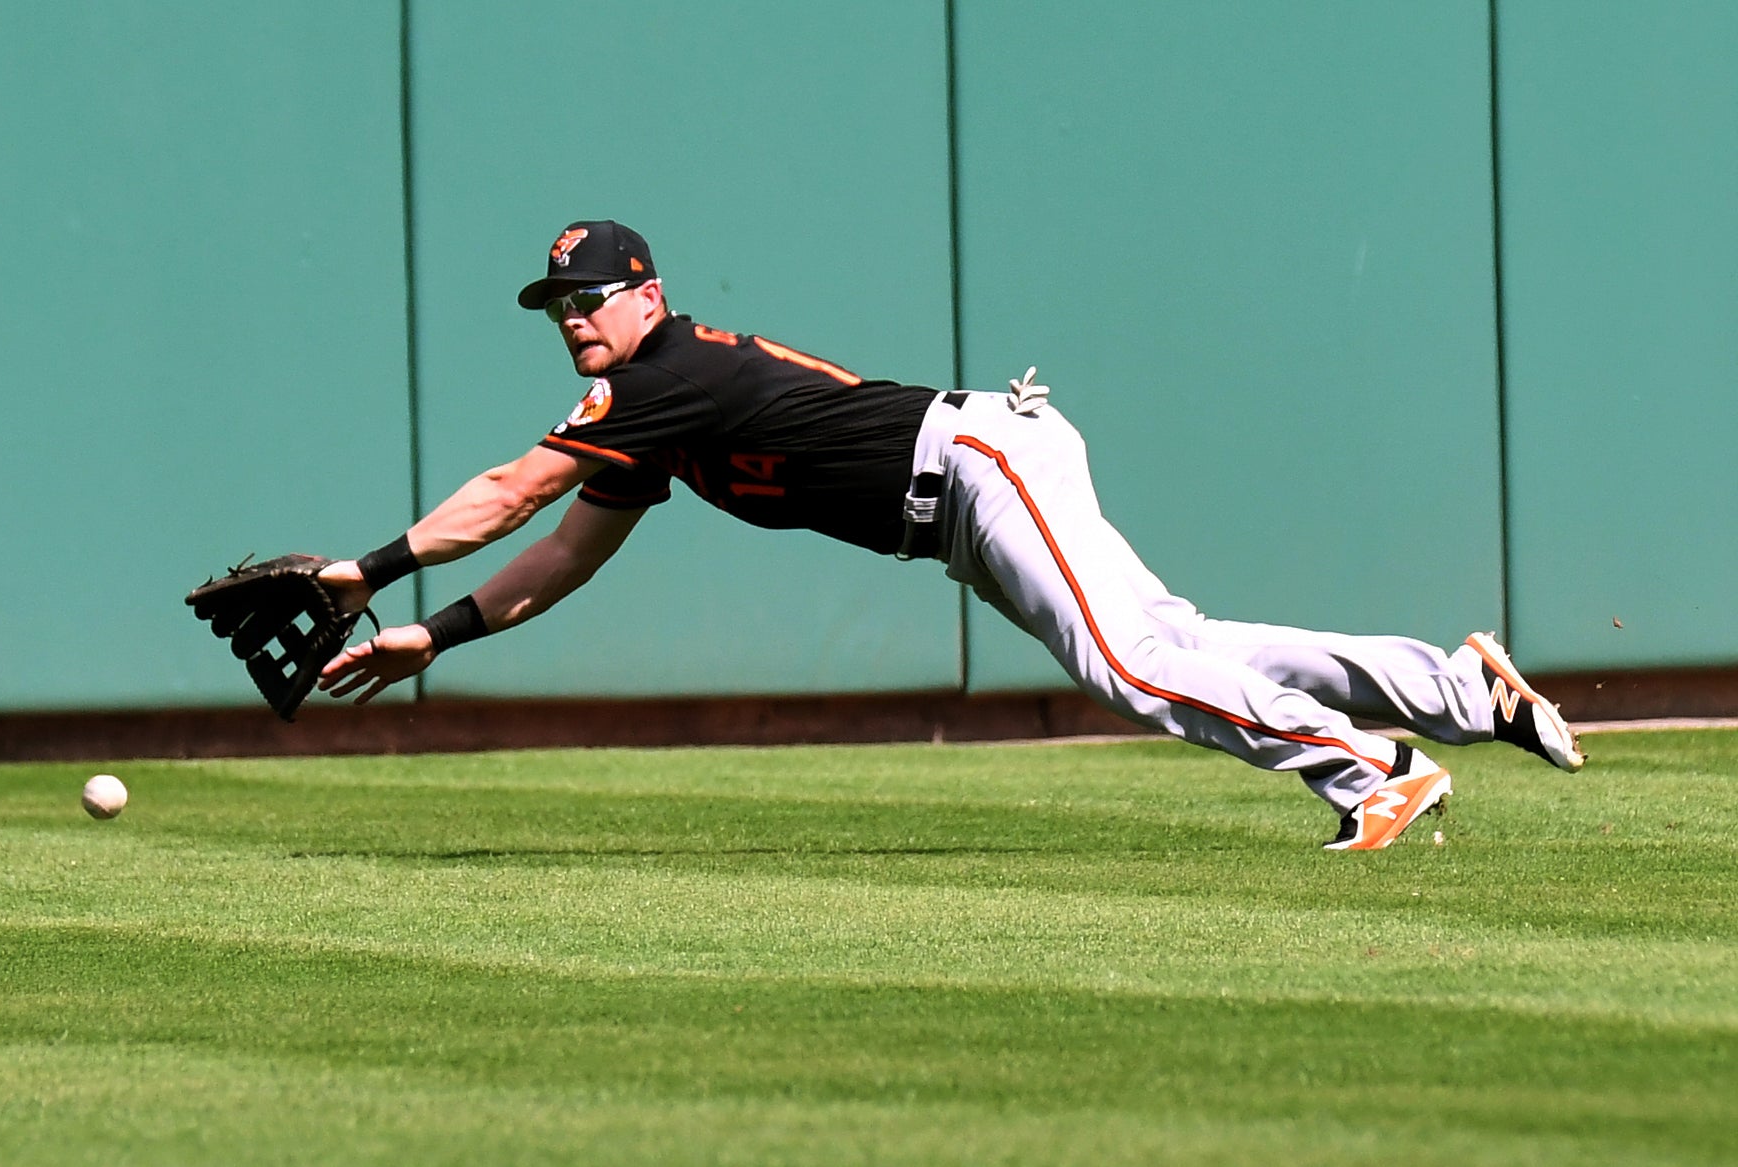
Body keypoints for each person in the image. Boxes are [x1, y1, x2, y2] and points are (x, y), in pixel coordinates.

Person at [315, 219, 1584, 850]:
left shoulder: (664, 378)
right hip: (964, 506)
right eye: (558, 306)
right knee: (1179, 642)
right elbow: (568, 549)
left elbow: (514, 490)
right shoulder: (652, 420)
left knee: (1130, 668)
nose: (574, 318)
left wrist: (368, 571)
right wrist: (437, 632)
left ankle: (1376, 770)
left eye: (590, 298)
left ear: (646, 294)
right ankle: (1459, 689)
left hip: (974, 465)